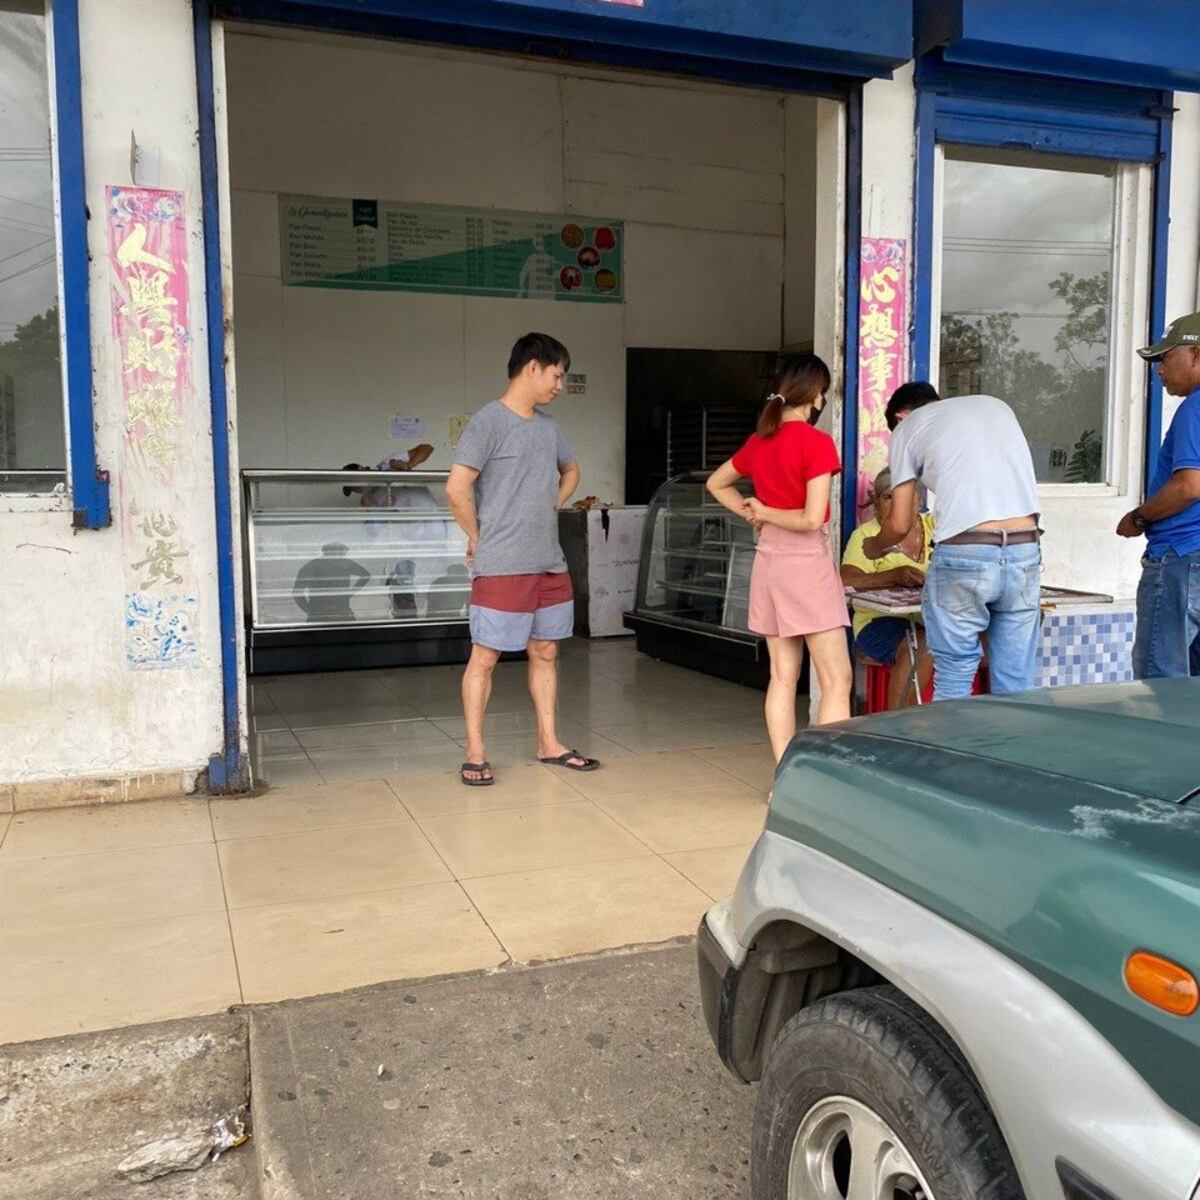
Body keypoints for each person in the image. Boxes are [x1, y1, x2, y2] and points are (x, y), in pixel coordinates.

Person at [445, 332, 594, 786]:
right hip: (503, 564)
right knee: (485, 657)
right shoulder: (488, 422)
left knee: (546, 651)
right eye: (557, 375)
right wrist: (479, 537)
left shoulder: (549, 429)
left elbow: (571, 470)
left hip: (549, 562)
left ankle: (549, 743)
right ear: (533, 367)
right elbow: (456, 488)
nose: (560, 386)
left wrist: (553, 502)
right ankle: (475, 752)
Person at [706, 354, 852, 762]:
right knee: (836, 679)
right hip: (805, 566)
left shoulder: (759, 441)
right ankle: (819, 781)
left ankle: (785, 778)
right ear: (815, 394)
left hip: (768, 563)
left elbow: (716, 483)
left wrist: (754, 514)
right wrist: (764, 512)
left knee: (782, 678)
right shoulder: (817, 443)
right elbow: (811, 518)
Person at [863, 384, 1041, 700]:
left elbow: (900, 522)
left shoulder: (908, 428)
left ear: (901, 416)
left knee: (955, 673)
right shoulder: (994, 405)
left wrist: (875, 546)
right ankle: (1012, 750)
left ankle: (950, 748)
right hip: (1024, 548)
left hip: (966, 551)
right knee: (1017, 681)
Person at [1118, 311, 1200, 677]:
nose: (1159, 370)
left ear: (1196, 355)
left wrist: (1139, 517)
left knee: (1161, 682)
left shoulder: (1194, 408)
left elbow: (1190, 486)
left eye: (1166, 358)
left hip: (1180, 557)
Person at [841, 468, 935, 709]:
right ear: (876, 503)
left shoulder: (935, 526)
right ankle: (899, 724)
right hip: (877, 622)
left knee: (985, 639)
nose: (897, 504)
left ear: (919, 499)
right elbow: (846, 579)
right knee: (922, 644)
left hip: (930, 617)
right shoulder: (867, 534)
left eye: (904, 495)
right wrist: (894, 576)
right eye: (888, 497)